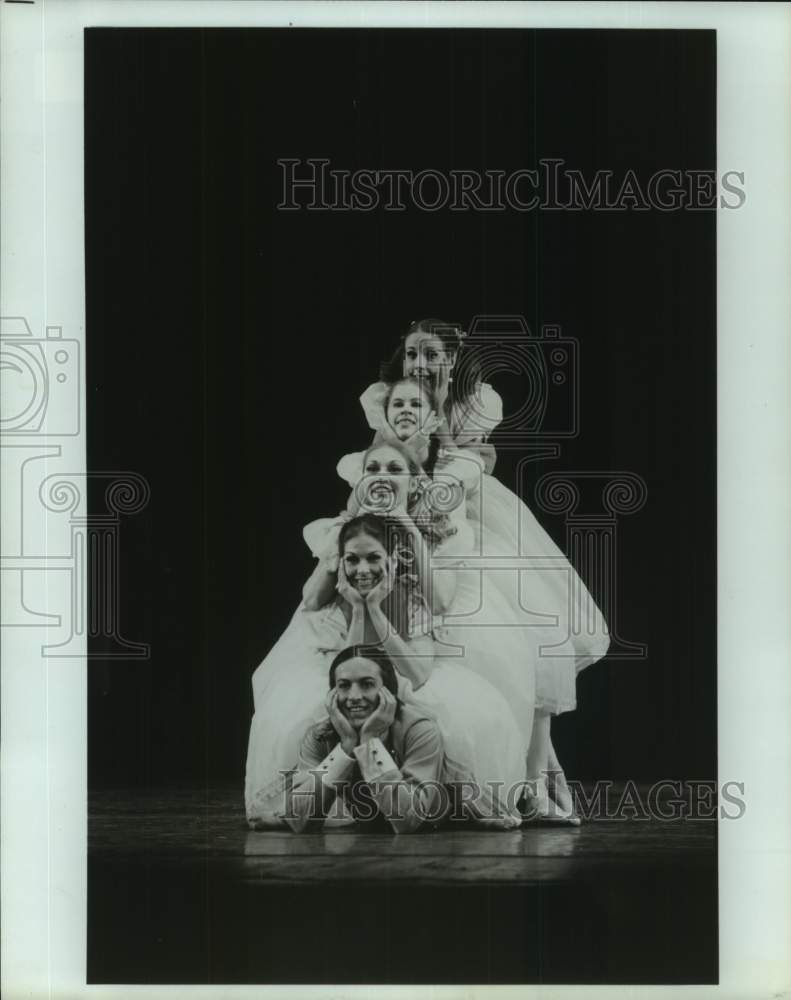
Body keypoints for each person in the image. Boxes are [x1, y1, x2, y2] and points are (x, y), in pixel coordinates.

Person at [358, 319, 611, 820]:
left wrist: (446, 397)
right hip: (415, 508)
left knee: (531, 637)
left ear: (453, 358)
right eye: (412, 354)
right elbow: (393, 456)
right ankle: (521, 782)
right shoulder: (386, 396)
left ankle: (538, 780)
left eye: (432, 355)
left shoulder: (477, 400)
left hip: (470, 513)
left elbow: (459, 460)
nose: (420, 365)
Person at [245, 459, 525, 828]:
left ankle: (454, 806)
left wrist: (377, 609)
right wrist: (359, 608)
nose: (363, 570)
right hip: (360, 675)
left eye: (373, 558)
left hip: (405, 672)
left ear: (392, 560)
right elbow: (349, 667)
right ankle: (311, 804)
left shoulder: (411, 593)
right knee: (297, 716)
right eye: (353, 560)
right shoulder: (340, 595)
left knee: (463, 721)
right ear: (340, 562)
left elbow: (419, 674)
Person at [285, 645, 448, 834]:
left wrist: (370, 742)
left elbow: (408, 820)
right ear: (332, 694)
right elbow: (299, 820)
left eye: (367, 684)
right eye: (344, 685)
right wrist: (345, 747)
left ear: (389, 692)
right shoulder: (319, 736)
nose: (354, 696)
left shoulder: (420, 731)